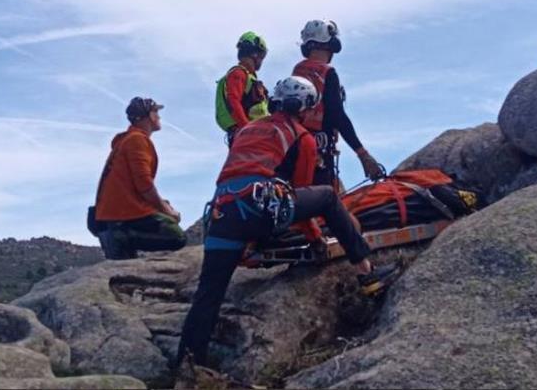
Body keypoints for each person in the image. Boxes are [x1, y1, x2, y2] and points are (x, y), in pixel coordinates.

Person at [175, 76, 398, 371]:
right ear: (304, 107)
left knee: (208, 296)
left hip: (222, 213)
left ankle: (187, 368)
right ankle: (367, 275)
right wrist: (316, 237)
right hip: (260, 209)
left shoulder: (248, 130)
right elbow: (300, 195)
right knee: (328, 197)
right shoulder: (301, 136)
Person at [293, 19, 385, 189]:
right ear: (329, 45)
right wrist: (363, 154)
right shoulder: (327, 73)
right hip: (318, 153)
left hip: (294, 150)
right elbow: (337, 115)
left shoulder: (297, 73)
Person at [92, 97, 186, 260]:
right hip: (122, 215)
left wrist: (163, 206)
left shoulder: (128, 140)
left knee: (164, 207)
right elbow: (144, 184)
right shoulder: (137, 140)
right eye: (156, 111)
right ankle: (121, 236)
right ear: (148, 115)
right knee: (177, 236)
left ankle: (119, 237)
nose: (159, 116)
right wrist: (168, 211)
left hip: (112, 216)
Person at [214, 31, 270, 145]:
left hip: (255, 134)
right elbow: (233, 102)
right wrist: (247, 129)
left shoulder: (249, 78)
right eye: (262, 56)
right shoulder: (238, 74)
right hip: (247, 136)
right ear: (255, 54)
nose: (262, 60)